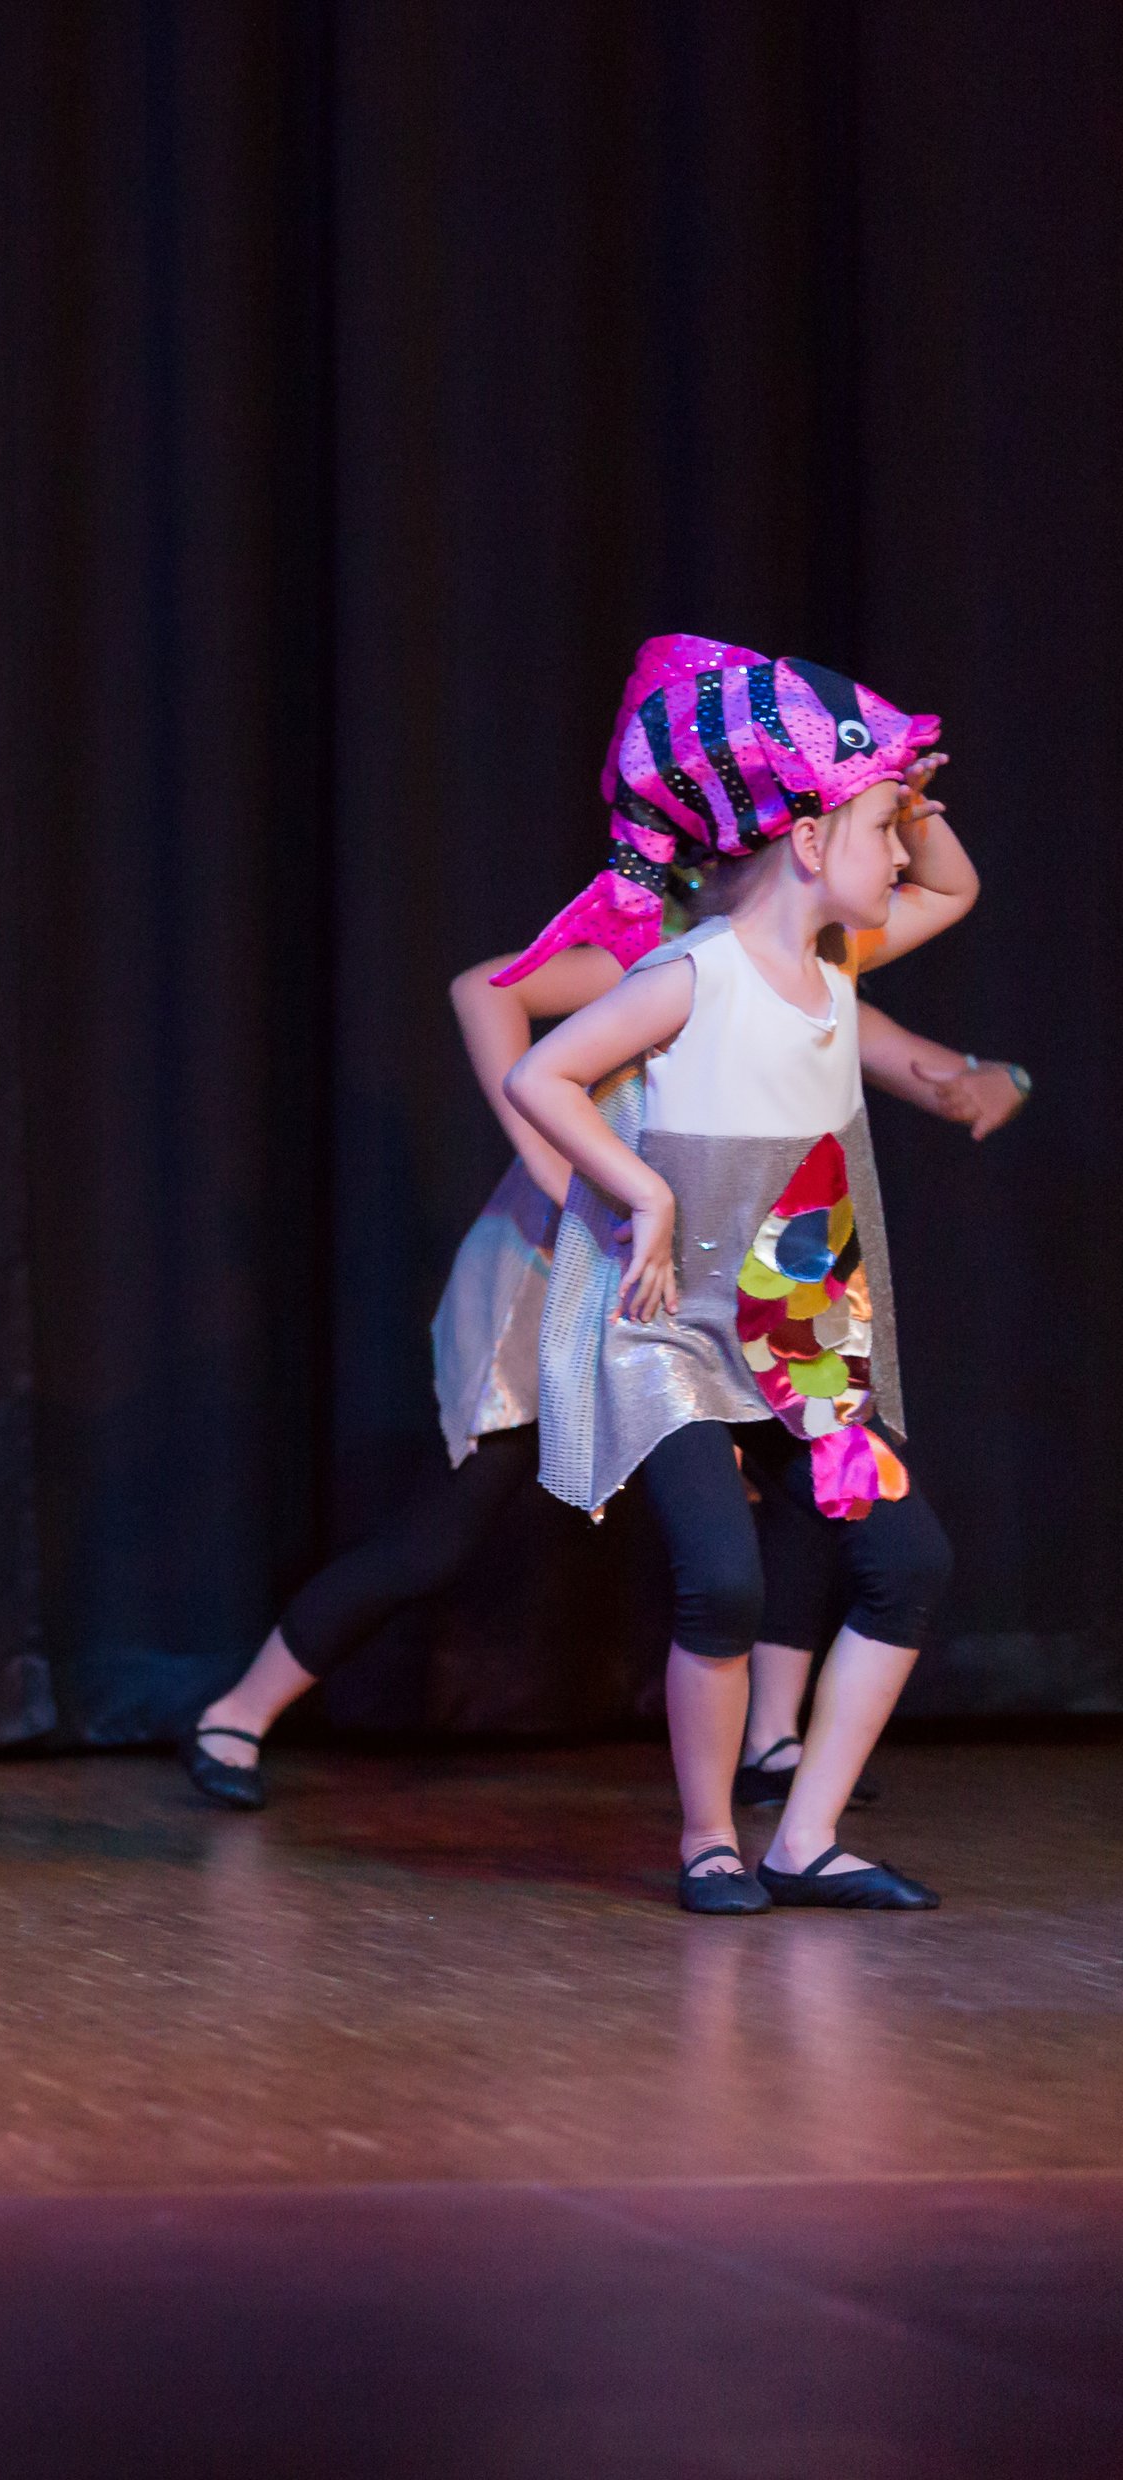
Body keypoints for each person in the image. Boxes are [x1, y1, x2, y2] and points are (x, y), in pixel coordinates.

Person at [183, 931, 1019, 1810]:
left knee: (805, 1487)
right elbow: (484, 989)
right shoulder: (680, 961)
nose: (897, 865)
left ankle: (772, 1738)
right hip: (571, 1273)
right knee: (448, 1527)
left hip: (703, 1295)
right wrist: (563, 1174)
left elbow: (942, 1053)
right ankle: (237, 1712)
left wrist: (1002, 1079)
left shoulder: (817, 979)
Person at [506, 635, 975, 1913]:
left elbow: (955, 883)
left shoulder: (836, 970)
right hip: (670, 1327)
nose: (902, 855)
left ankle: (806, 1835)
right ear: (810, 842)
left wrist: (906, 793)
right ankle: (709, 1837)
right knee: (722, 1579)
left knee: (908, 1560)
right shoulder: (694, 969)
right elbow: (541, 1072)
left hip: (799, 1327)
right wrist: (646, 1191)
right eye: (882, 831)